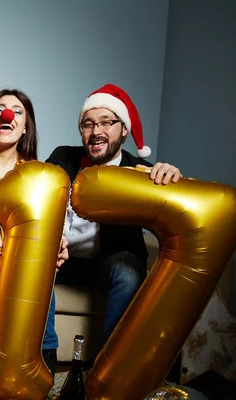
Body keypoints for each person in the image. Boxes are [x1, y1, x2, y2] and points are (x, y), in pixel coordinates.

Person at [43, 83, 181, 351]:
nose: (96, 132)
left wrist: (171, 175)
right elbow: (40, 200)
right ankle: (45, 353)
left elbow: (175, 209)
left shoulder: (141, 171)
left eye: (106, 122)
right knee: (34, 259)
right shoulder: (63, 156)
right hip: (62, 259)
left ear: (125, 129)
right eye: (88, 124)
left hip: (108, 263)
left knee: (128, 273)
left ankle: (106, 368)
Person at [0, 88, 68, 374]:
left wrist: (55, 240)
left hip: (12, 255)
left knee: (40, 258)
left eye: (17, 111)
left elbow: (37, 222)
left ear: (26, 126)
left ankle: (43, 357)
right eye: (0, 109)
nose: (7, 114)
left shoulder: (32, 170)